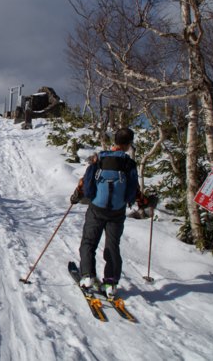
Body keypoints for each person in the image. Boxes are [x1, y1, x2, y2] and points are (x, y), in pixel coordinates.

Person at [71, 127, 144, 298]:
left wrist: (76, 196)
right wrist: (142, 202)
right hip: (117, 212)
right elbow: (134, 187)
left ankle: (87, 276)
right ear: (128, 144)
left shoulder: (100, 158)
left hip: (97, 208)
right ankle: (111, 283)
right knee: (112, 246)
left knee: (89, 242)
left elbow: (86, 180)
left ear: (115, 141)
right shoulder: (129, 163)